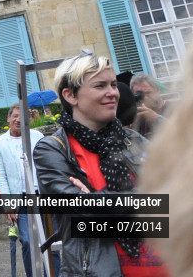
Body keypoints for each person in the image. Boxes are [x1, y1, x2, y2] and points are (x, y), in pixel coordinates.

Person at [35, 53, 166, 276]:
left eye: (113, 84)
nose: (112, 93)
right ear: (70, 95)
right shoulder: (53, 149)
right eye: (100, 85)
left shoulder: (132, 139)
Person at [142, 46, 193, 277]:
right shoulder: (137, 121)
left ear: (157, 91)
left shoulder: (178, 110)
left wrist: (158, 119)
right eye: (136, 95)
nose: (142, 99)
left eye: (145, 93)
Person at [0, 105, 51, 277]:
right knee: (27, 241)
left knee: (51, 241)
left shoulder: (38, 137)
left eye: (23, 116)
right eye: (15, 116)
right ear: (8, 119)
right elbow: (0, 175)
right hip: (21, 199)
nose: (19, 120)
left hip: (42, 195)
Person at [130, 73, 168, 137]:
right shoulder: (139, 117)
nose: (145, 97)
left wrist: (156, 117)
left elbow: (185, 130)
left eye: (148, 92)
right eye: (140, 95)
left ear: (158, 90)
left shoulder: (175, 107)